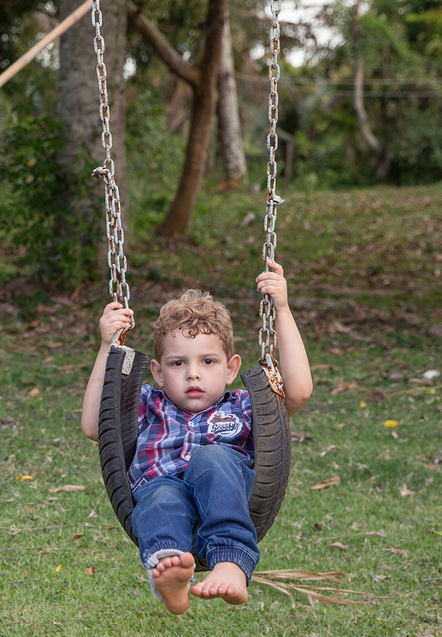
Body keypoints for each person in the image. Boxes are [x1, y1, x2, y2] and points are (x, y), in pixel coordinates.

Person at [81, 259, 312, 614]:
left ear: (231, 369)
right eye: (178, 363)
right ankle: (170, 575)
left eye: (208, 362)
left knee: (212, 456)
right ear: (157, 372)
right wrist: (106, 348)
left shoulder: (242, 406)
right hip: (164, 494)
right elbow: (95, 425)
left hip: (224, 497)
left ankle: (231, 562)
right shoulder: (148, 403)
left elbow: (298, 392)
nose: (193, 374)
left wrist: (281, 309)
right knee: (160, 496)